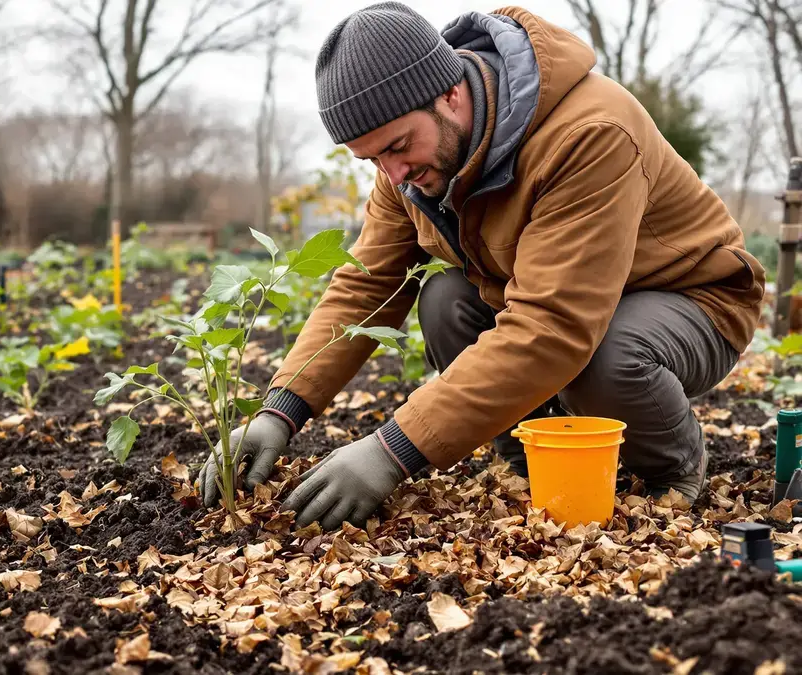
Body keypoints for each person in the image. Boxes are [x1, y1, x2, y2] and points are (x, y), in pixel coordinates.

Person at [197, 3, 766, 531]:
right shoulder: (409, 159)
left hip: (691, 299)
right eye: (373, 159)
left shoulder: (589, 133)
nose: (392, 174)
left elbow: (554, 327)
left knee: (605, 356)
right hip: (569, 303)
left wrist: (391, 450)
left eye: (397, 148)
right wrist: (281, 410)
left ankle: (672, 476)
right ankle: (526, 459)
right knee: (444, 298)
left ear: (450, 95)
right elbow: (365, 286)